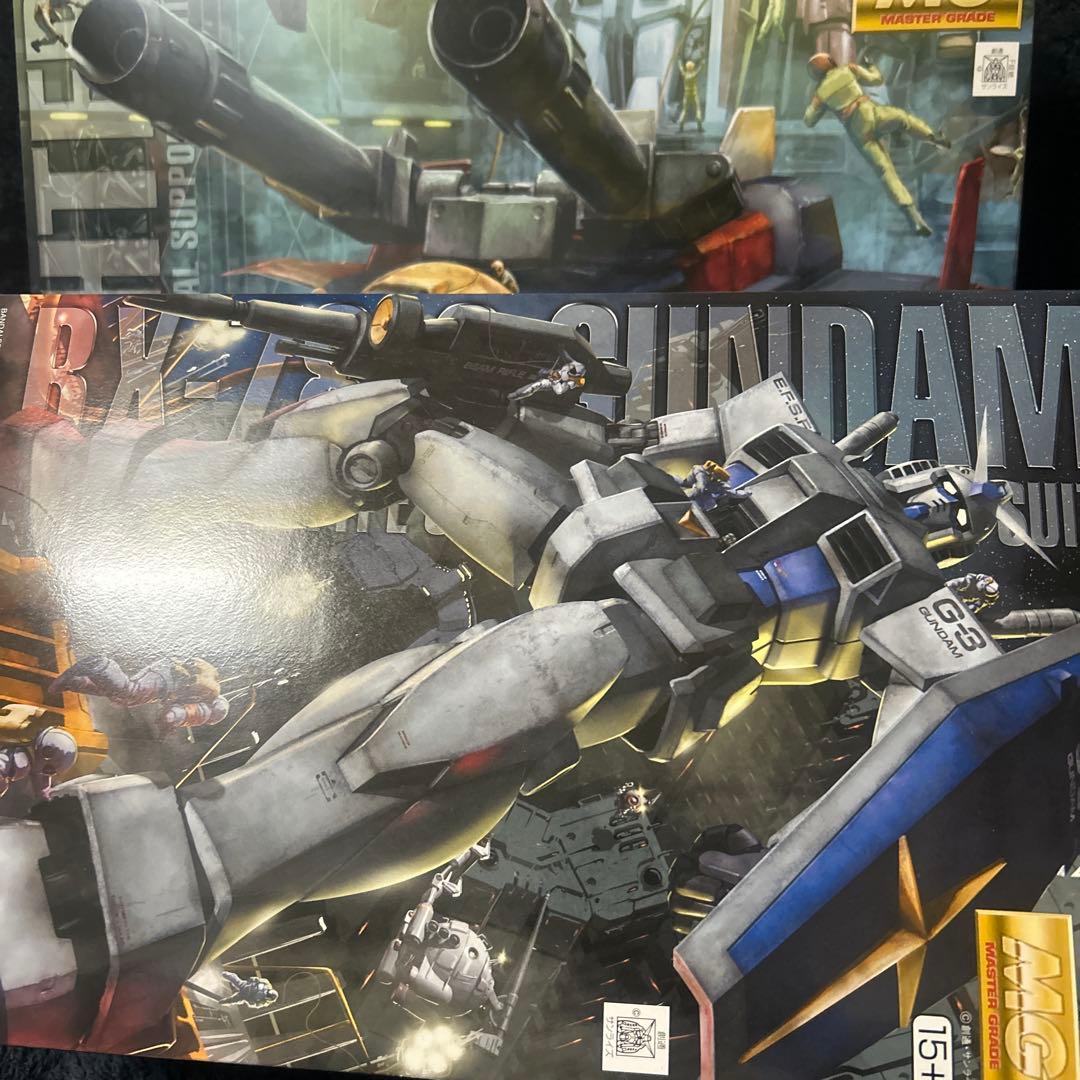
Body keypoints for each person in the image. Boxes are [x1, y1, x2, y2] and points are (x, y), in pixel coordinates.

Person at [804, 52, 950, 237]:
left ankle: (914, 218)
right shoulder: (848, 70)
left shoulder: (821, 93)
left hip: (858, 131)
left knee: (885, 171)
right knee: (902, 119)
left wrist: (816, 102)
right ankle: (934, 137)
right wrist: (871, 65)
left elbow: (809, 120)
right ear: (832, 62)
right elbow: (876, 79)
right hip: (872, 113)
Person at [677, 58, 704, 133]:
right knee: (698, 109)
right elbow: (699, 70)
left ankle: (681, 125)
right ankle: (699, 125)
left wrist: (679, 62)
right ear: (692, 68)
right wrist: (702, 64)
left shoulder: (685, 75)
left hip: (686, 95)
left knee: (684, 110)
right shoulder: (693, 75)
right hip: (694, 95)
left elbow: (681, 69)